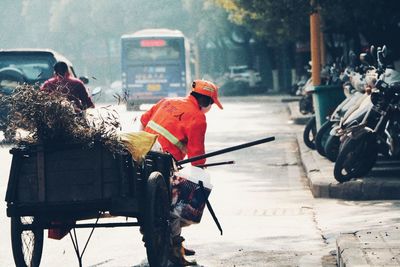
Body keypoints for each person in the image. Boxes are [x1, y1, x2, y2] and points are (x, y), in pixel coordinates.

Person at [139, 79, 223, 265]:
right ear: (206, 101)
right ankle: (175, 250)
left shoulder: (167, 101)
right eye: (211, 104)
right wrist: (200, 171)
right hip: (162, 164)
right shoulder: (198, 118)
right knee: (176, 205)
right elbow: (197, 157)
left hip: (142, 156)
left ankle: (172, 242)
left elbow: (144, 120)